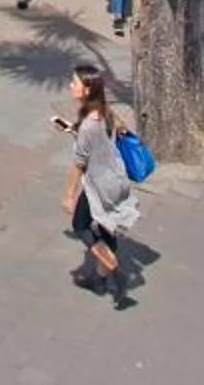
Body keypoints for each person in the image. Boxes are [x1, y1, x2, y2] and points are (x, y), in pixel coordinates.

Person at [59, 61, 139, 304]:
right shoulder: (104, 112)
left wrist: (69, 194)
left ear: (86, 90)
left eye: (75, 82)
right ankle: (99, 279)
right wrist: (73, 129)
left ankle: (113, 269)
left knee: (81, 225)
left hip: (100, 185)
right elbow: (113, 133)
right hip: (116, 178)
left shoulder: (88, 127)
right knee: (106, 229)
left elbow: (79, 164)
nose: (71, 85)